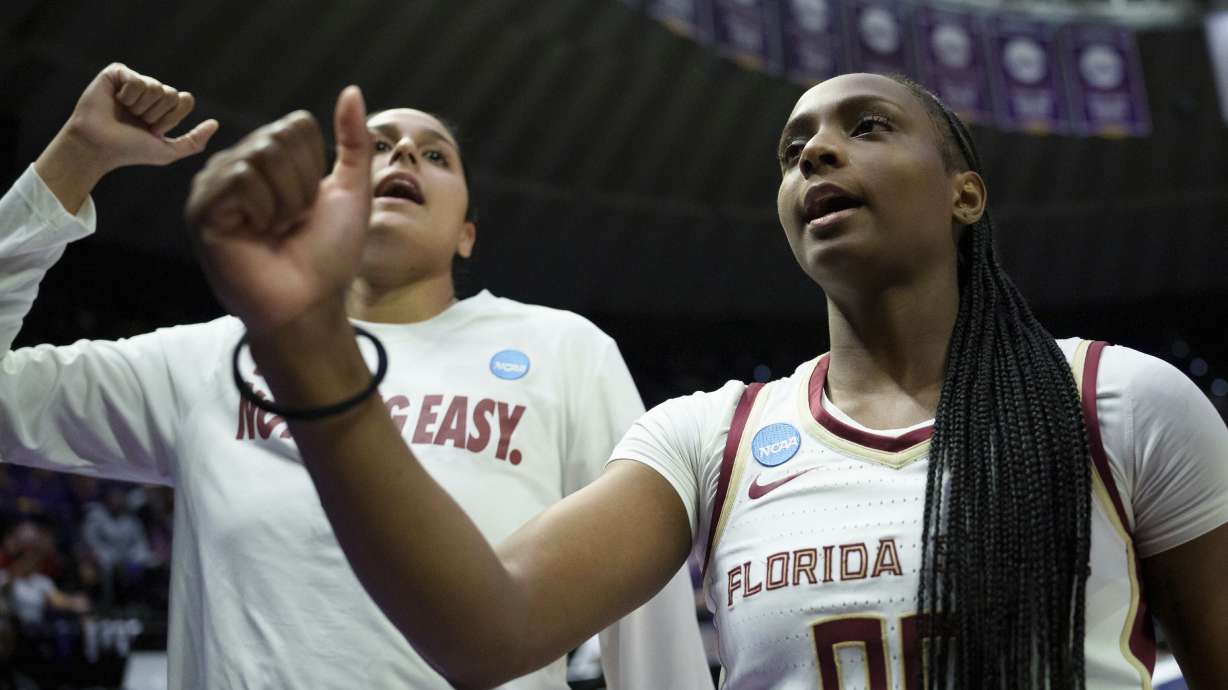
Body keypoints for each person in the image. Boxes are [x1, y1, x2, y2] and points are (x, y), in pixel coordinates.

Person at [186, 73, 1228, 690]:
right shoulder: (707, 437)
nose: (815, 152)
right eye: (792, 149)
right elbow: (483, 627)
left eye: (864, 127)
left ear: (965, 194)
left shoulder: (1121, 402)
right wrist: (303, 343)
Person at [0, 64, 712, 689]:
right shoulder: (213, 360)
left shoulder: (565, 350)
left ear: (467, 232)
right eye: (372, 148)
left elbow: (645, 609)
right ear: (320, 206)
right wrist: (73, 161)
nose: (404, 151)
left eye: (436, 155)